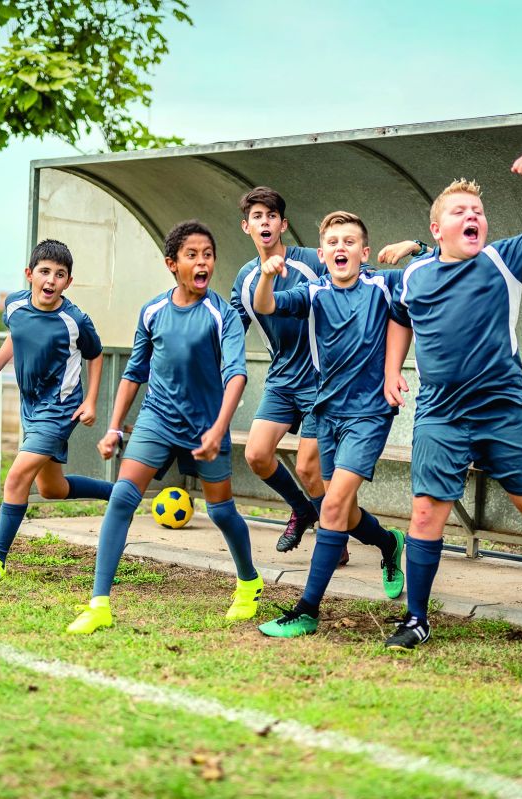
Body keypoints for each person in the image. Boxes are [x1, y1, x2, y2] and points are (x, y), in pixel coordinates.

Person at [380, 154, 522, 652]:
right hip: (440, 410)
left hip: (503, 407)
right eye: (459, 211)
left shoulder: (505, 260)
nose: (471, 216)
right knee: (425, 514)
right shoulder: (414, 277)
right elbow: (399, 316)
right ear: (437, 229)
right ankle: (417, 618)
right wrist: (393, 371)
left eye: (477, 210)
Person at [66, 220, 262, 634]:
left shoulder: (221, 314)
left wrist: (218, 428)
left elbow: (236, 375)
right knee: (122, 498)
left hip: (208, 424)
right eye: (192, 255)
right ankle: (99, 603)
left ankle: (248, 582)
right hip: (157, 417)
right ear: (172, 263)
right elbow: (135, 372)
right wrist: (115, 427)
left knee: (222, 511)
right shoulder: (153, 310)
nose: (202, 261)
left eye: (207, 254)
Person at [251, 211, 406, 638]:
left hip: (369, 414)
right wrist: (267, 276)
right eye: (333, 242)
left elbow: (440, 269)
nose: (341, 247)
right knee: (343, 507)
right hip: (325, 412)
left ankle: (306, 610)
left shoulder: (382, 285)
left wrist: (415, 248)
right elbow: (265, 305)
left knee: (334, 507)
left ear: (364, 251)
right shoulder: (313, 291)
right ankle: (389, 543)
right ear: (322, 254)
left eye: (350, 241)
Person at [0, 239, 113, 579]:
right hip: (30, 405)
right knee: (52, 489)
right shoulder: (15, 304)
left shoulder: (75, 320)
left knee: (17, 477)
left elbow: (95, 354)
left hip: (59, 409)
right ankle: (119, 493)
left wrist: (90, 401)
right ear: (30, 274)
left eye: (60, 275)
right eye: (44, 272)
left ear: (68, 282)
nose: (51, 280)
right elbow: (17, 335)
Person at [230, 187, 332, 558]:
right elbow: (230, 330)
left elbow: (355, 282)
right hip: (281, 379)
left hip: (321, 381)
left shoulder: (310, 261)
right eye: (257, 217)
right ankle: (302, 510)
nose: (265, 222)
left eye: (271, 216)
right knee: (257, 454)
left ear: (283, 224)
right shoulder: (244, 277)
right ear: (247, 227)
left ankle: (333, 538)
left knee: (310, 469)